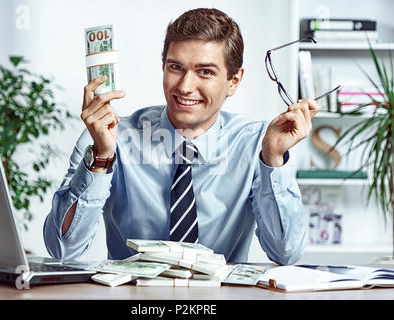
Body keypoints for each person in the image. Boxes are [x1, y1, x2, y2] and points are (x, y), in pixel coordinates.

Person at [43, 8, 319, 265]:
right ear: (163, 67)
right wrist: (101, 159)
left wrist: (272, 160)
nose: (186, 87)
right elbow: (62, 249)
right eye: (176, 67)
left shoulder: (258, 143)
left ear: (233, 81)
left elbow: (286, 253)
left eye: (205, 72)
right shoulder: (108, 136)